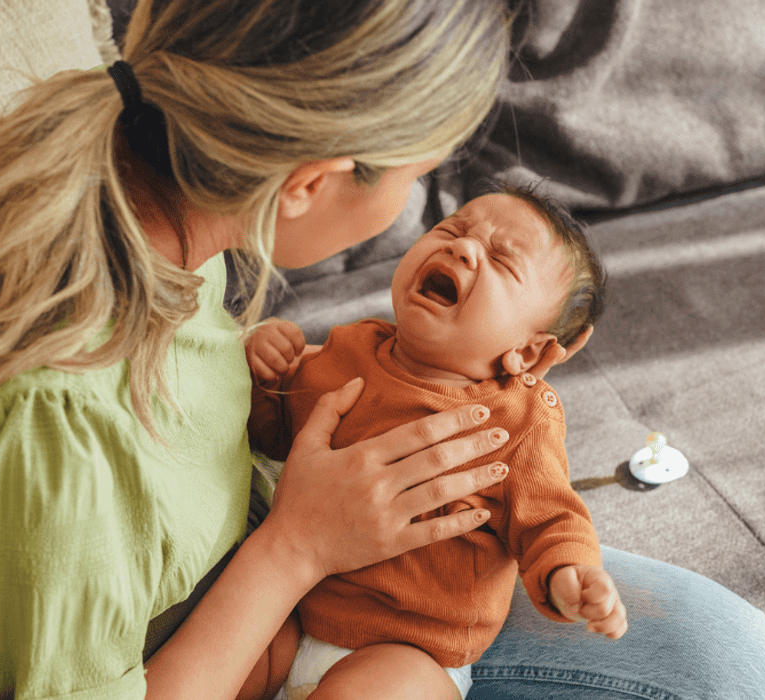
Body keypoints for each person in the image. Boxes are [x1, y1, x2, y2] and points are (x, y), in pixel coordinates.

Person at [0, 1, 765, 699]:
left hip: (297, 564)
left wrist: (257, 376)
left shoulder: (132, 165)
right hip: (205, 632)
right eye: (424, 186)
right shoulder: (45, 446)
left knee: (729, 654)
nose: (431, 226)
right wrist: (299, 546)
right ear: (311, 182)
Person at [244, 185, 623, 699]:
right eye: (451, 228)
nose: (462, 248)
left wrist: (570, 572)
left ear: (529, 354)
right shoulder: (348, 348)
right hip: (290, 610)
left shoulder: (517, 421)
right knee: (227, 661)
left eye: (501, 260)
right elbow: (274, 438)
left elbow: (551, 517)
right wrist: (264, 374)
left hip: (408, 647)